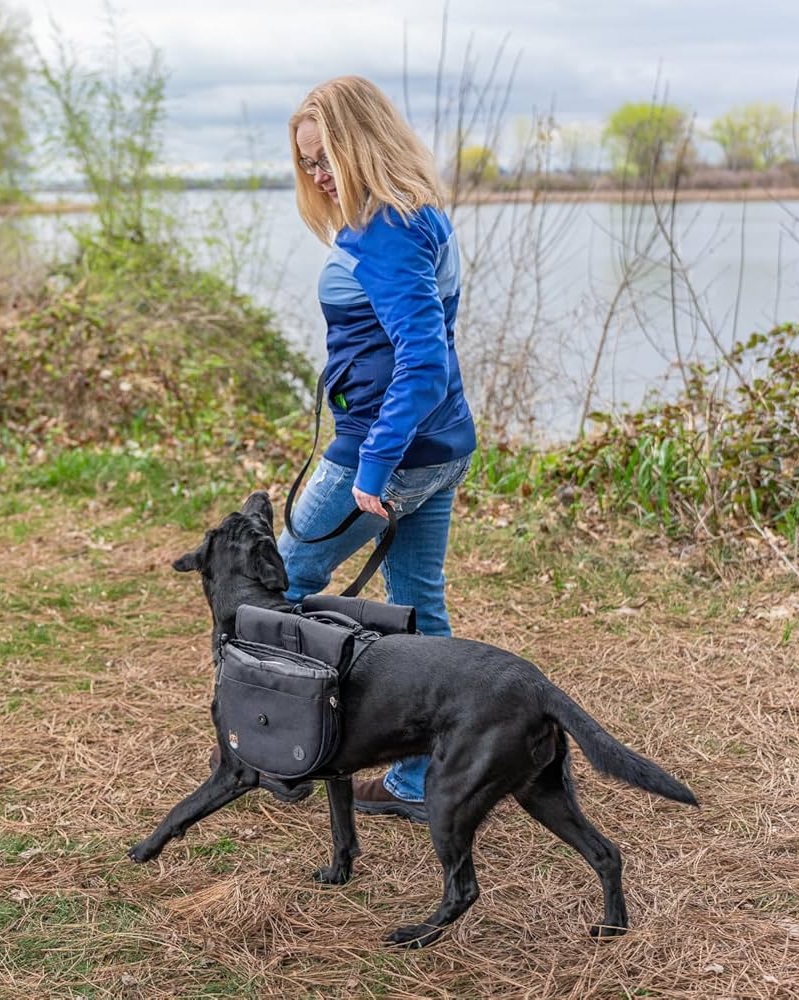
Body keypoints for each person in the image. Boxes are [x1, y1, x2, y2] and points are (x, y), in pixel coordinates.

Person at [277, 76, 477, 824]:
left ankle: (286, 749)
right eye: (309, 165)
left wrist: (373, 462)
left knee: (281, 580)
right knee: (420, 605)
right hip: (443, 444)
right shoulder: (416, 215)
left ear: (362, 141)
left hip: (385, 453)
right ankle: (420, 781)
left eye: (326, 157)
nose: (320, 176)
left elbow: (423, 360)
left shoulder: (387, 229)